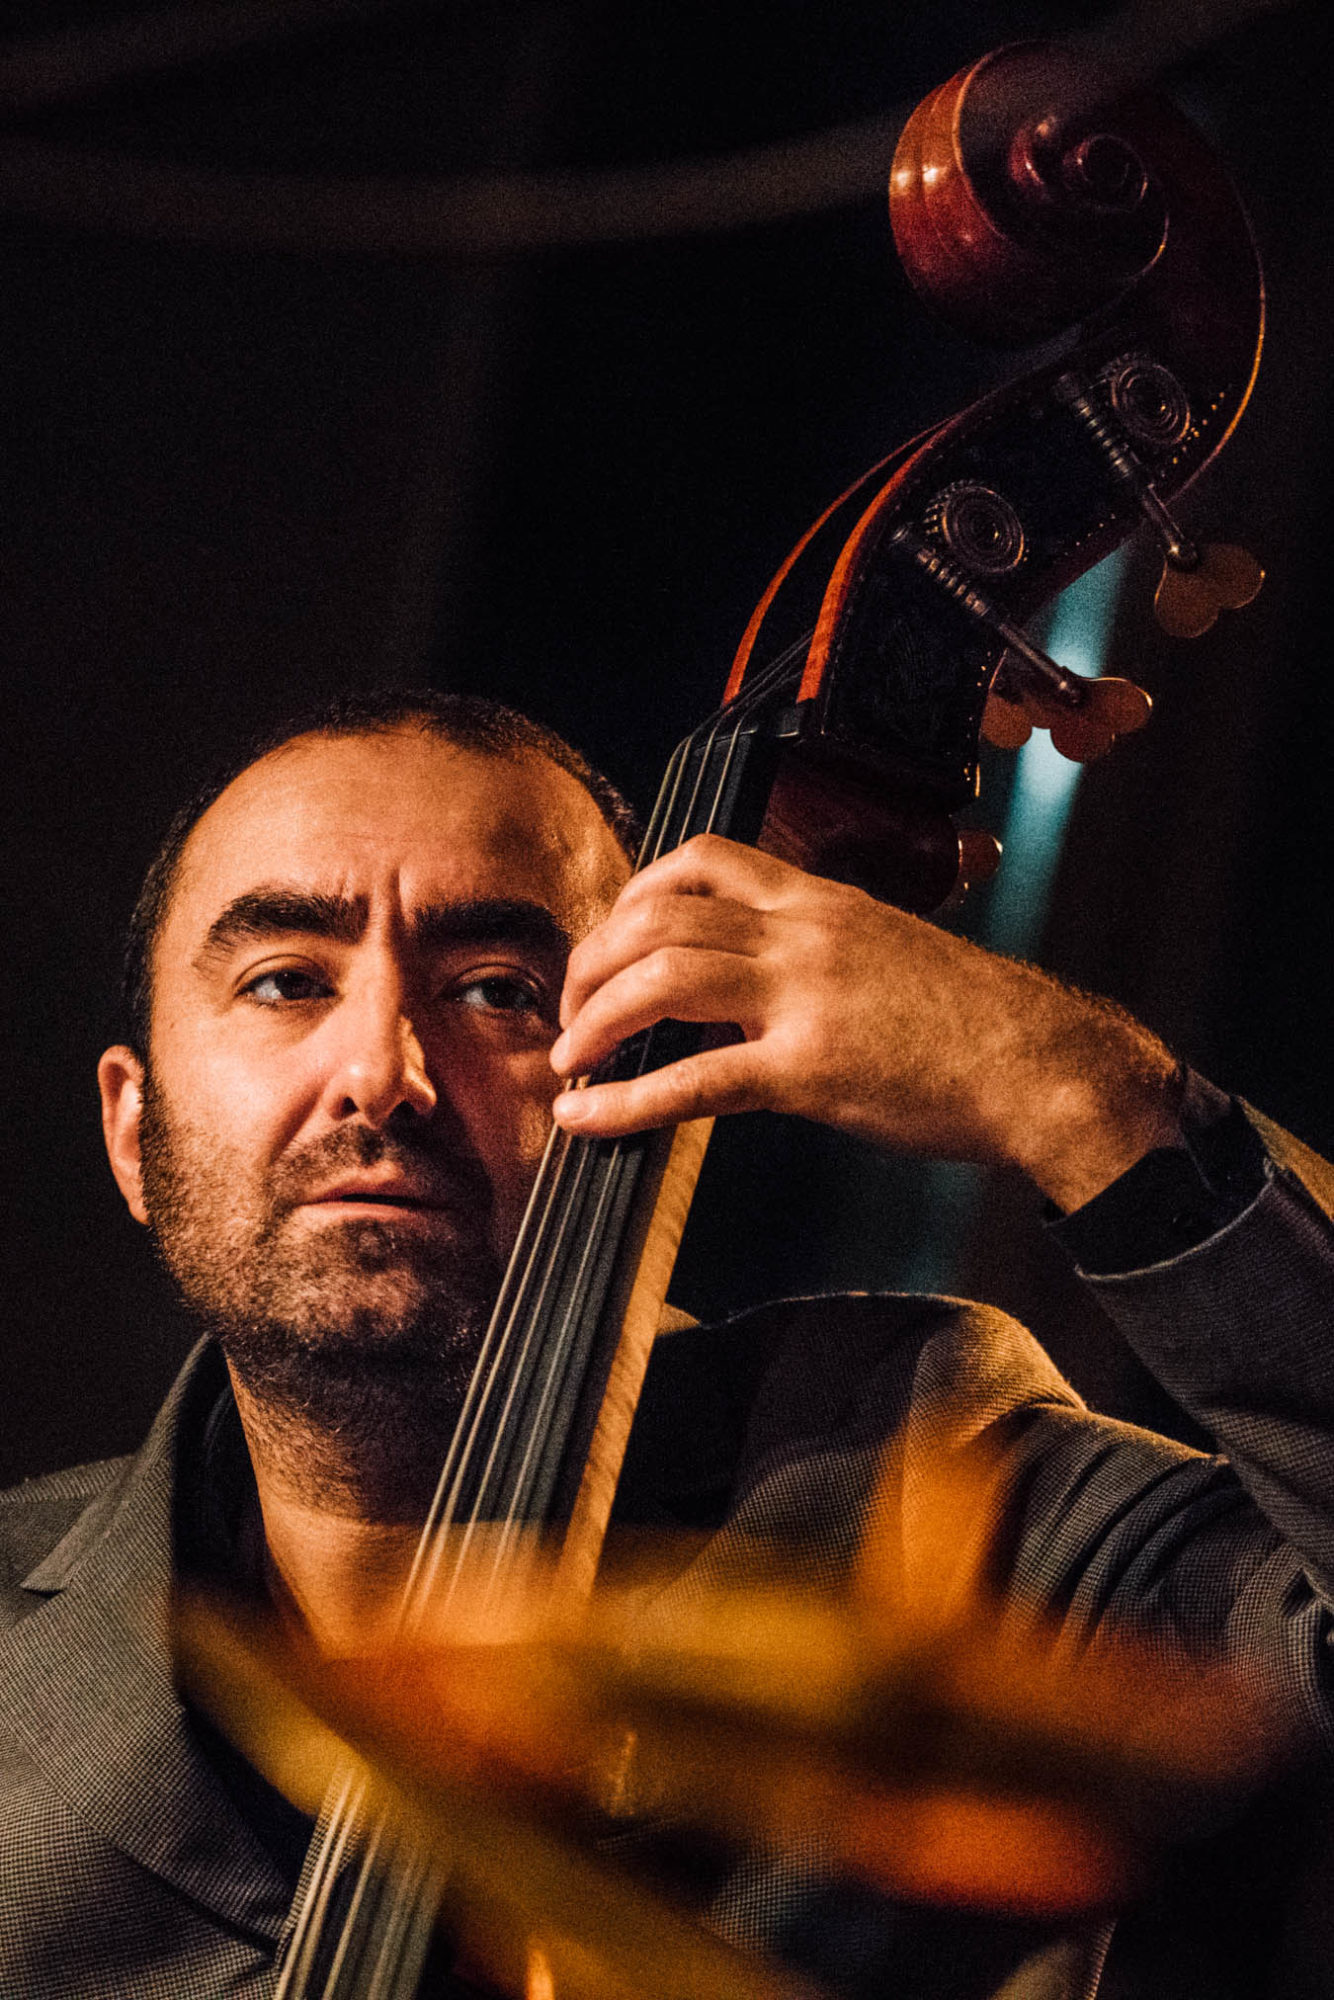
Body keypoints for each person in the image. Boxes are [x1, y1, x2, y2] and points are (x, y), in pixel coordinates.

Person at [2, 688, 1332, 2000]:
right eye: (287, 981)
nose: (381, 1074)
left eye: (499, 992)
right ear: (134, 1131)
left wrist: (1073, 1090)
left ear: (660, 1064)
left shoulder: (936, 1488)